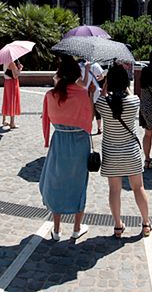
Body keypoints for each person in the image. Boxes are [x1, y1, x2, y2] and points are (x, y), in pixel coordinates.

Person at [39, 56, 94, 241]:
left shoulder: (51, 95)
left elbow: (47, 120)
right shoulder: (82, 94)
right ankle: (77, 228)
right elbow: (88, 122)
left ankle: (56, 229)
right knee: (79, 183)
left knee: (56, 182)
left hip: (59, 140)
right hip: (79, 141)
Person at [96, 65, 152, 238]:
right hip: (131, 153)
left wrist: (105, 85)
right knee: (138, 187)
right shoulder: (134, 101)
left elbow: (102, 97)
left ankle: (118, 226)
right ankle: (145, 223)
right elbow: (128, 94)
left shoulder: (102, 103)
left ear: (109, 82)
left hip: (111, 154)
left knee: (114, 190)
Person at [77, 60, 104, 134]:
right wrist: (96, 79)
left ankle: (86, 127)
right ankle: (99, 127)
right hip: (95, 89)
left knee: (85, 110)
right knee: (96, 109)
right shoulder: (95, 64)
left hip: (83, 90)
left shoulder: (79, 65)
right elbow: (102, 75)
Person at [2, 59, 23, 128]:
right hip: (12, 83)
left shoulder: (5, 61)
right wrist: (20, 69)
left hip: (7, 82)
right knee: (12, 101)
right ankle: (12, 123)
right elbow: (15, 76)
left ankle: (4, 120)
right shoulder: (12, 63)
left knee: (6, 100)